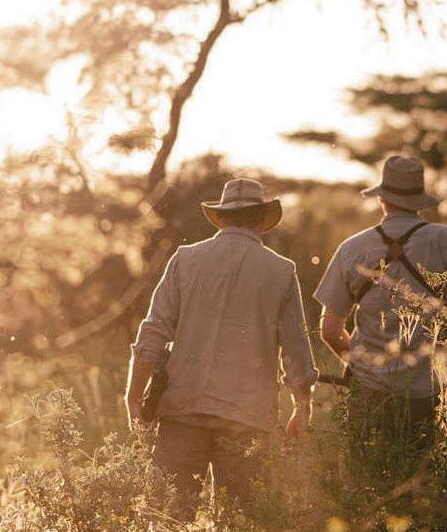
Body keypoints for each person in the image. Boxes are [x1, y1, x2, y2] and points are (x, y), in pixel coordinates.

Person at [125, 178, 318, 513]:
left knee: (169, 520)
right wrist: (303, 407)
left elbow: (152, 334)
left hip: (183, 411)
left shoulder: (185, 259)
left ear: (221, 217)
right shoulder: (281, 270)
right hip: (247, 419)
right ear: (261, 219)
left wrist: (133, 397)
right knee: (240, 527)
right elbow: (296, 350)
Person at [314, 154, 447, 453]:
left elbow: (329, 329)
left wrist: (359, 368)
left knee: (366, 474)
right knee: (425, 475)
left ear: (381, 199)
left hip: (369, 391)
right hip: (430, 391)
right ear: (420, 201)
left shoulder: (351, 247)